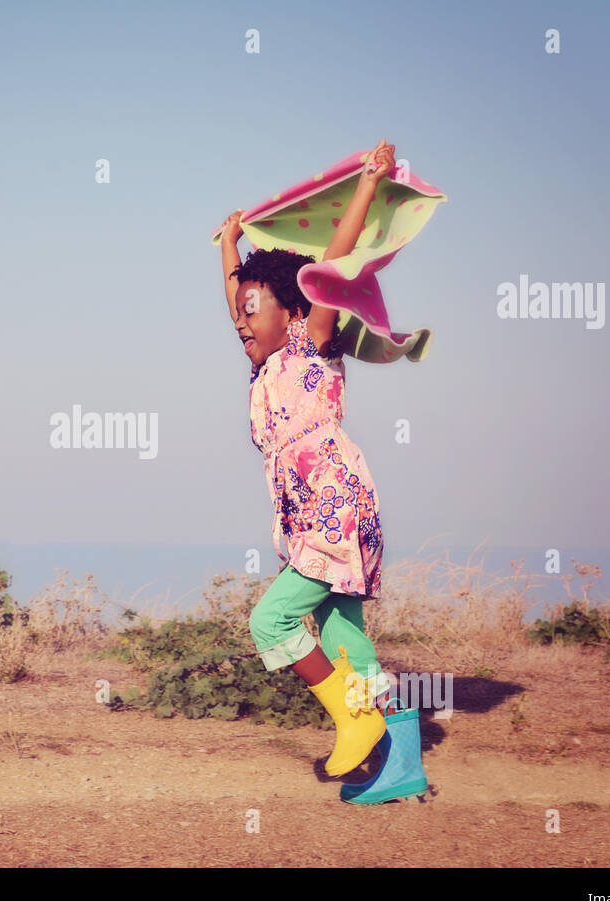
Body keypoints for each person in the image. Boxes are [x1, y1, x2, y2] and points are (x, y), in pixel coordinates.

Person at [217, 141, 428, 801]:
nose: (242, 320)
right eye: (242, 311)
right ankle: (400, 761)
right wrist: (230, 244)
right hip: (312, 512)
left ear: (293, 308)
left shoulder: (312, 339)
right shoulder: (263, 363)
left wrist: (368, 182)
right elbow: (235, 298)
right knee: (344, 634)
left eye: (256, 308)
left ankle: (355, 722)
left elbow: (333, 261)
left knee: (271, 621)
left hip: (334, 504)